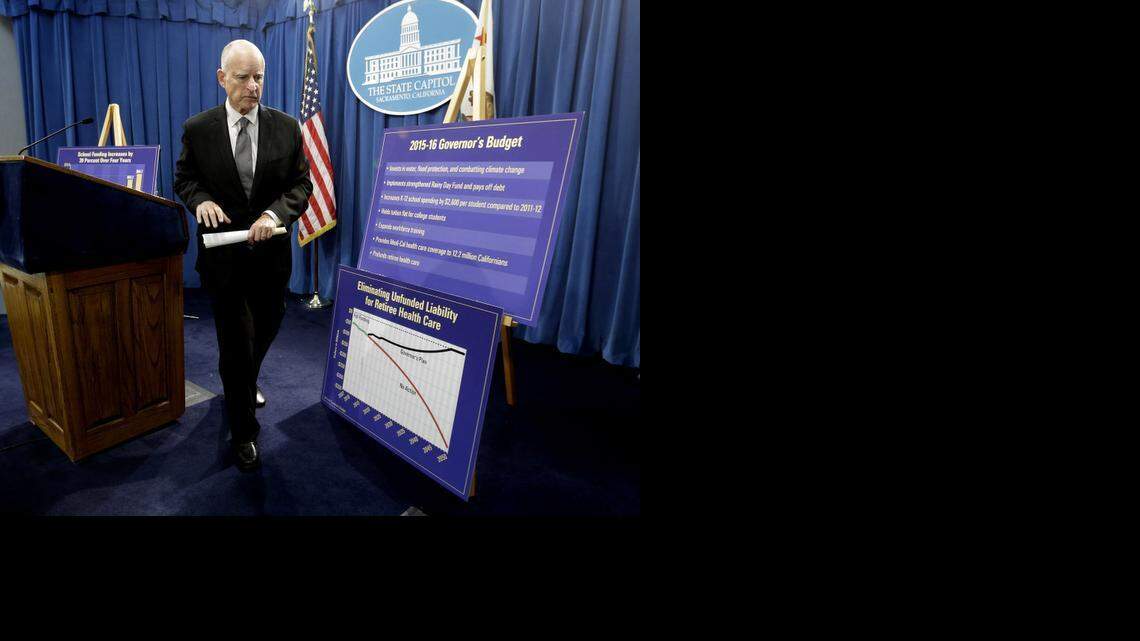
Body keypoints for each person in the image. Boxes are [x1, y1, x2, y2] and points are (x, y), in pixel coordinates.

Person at [174, 39, 312, 472]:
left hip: (271, 259)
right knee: (234, 345)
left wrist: (274, 213)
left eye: (259, 77)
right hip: (223, 261)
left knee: (265, 329)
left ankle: (244, 382)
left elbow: (301, 187)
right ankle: (243, 431)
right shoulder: (198, 128)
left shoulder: (288, 127)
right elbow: (185, 178)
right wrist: (199, 201)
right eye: (243, 77)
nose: (253, 86)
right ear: (222, 78)